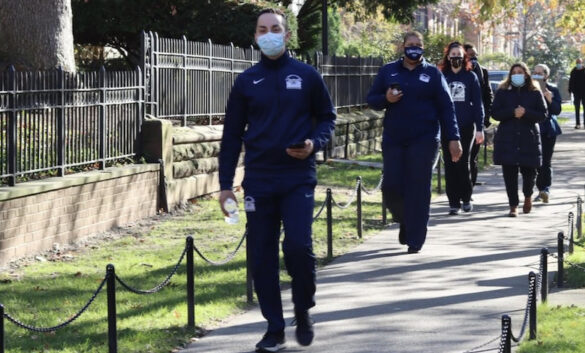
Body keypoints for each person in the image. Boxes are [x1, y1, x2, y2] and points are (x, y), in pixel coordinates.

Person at [218, 8, 336, 352]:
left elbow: (327, 118)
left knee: (298, 246)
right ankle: (274, 327)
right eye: (262, 29)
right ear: (255, 37)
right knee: (261, 255)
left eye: (275, 29)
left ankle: (303, 307)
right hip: (259, 179)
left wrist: (314, 143)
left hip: (298, 176)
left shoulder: (307, 75)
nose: (268, 34)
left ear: (286, 36)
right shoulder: (246, 82)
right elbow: (231, 137)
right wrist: (226, 185)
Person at [366, 31, 462, 253]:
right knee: (391, 186)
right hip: (395, 138)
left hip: (424, 138)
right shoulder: (388, 71)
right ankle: (404, 220)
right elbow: (372, 100)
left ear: (423, 47)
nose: (414, 48)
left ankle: (415, 239)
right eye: (411, 44)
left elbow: (447, 108)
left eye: (418, 45)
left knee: (418, 188)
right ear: (403, 47)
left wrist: (453, 138)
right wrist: (386, 99)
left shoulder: (433, 74)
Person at [491, 62, 547, 217]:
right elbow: (495, 113)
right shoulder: (503, 91)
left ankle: (528, 196)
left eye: (520, 72)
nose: (517, 74)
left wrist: (526, 112)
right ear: (510, 75)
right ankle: (513, 205)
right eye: (514, 72)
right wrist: (512, 112)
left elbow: (543, 114)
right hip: (507, 138)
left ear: (526, 74)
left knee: (529, 173)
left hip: (528, 138)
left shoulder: (535, 92)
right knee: (509, 174)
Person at [438, 42, 485, 215]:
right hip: (447, 126)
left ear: (463, 56)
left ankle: (466, 197)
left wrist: (479, 128)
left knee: (463, 162)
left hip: (466, 126)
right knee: (450, 164)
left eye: (459, 54)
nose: (455, 57)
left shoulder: (470, 77)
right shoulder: (442, 76)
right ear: (448, 57)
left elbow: (478, 104)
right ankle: (453, 201)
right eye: (453, 54)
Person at [464, 44, 493, 187]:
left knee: (473, 156)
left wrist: (486, 117)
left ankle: (471, 184)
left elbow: (487, 95)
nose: (474, 58)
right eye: (470, 55)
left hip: (477, 118)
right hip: (461, 118)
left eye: (475, 55)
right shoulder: (456, 73)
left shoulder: (482, 71)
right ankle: (461, 186)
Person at [532, 64, 562, 203]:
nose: (537, 75)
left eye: (540, 73)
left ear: (546, 75)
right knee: (534, 161)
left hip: (548, 130)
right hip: (532, 129)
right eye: (535, 72)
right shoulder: (529, 89)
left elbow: (557, 110)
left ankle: (545, 189)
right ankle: (538, 188)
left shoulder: (553, 89)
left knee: (546, 161)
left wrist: (549, 98)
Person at [568, 58, 585, 129]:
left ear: (582, 63)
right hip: (576, 93)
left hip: (584, 93)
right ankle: (578, 124)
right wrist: (570, 90)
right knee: (577, 109)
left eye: (580, 62)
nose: (579, 64)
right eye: (577, 62)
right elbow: (571, 81)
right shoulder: (573, 71)